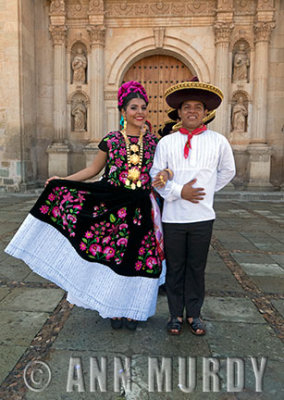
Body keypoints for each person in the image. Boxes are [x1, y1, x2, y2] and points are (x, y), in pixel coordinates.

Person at [5, 81, 167, 331]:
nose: (140, 112)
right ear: (123, 111)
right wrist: (62, 181)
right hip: (114, 207)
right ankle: (114, 308)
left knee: (137, 258)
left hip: (142, 208)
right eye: (134, 107)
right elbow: (93, 170)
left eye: (143, 107)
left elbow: (161, 172)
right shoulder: (111, 140)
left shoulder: (156, 143)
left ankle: (133, 309)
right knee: (113, 257)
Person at [150, 77, 236, 336]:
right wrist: (179, 192)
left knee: (197, 268)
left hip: (202, 217)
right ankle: (175, 314)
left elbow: (227, 171)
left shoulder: (218, 141)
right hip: (174, 218)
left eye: (197, 107)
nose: (192, 111)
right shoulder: (166, 143)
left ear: (206, 112)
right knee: (175, 268)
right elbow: (156, 176)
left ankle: (194, 315)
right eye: (187, 106)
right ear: (179, 111)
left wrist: (206, 192)